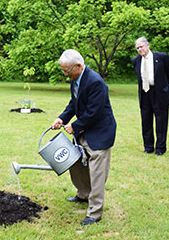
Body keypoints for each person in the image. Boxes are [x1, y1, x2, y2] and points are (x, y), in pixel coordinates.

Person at [51, 49, 116, 226]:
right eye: (63, 71)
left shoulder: (96, 82)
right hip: (85, 131)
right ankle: (83, 194)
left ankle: (95, 213)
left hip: (100, 132)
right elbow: (74, 103)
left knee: (97, 174)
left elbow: (93, 112)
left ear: (79, 66)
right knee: (75, 162)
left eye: (67, 71)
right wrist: (62, 118)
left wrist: (75, 126)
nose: (65, 75)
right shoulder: (76, 79)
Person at [132, 37, 169, 156]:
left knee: (161, 121)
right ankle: (148, 146)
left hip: (160, 92)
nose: (140, 50)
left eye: (141, 47)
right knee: (146, 120)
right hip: (145, 93)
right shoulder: (136, 61)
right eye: (137, 48)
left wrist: (163, 86)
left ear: (148, 45)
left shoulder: (162, 57)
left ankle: (160, 148)